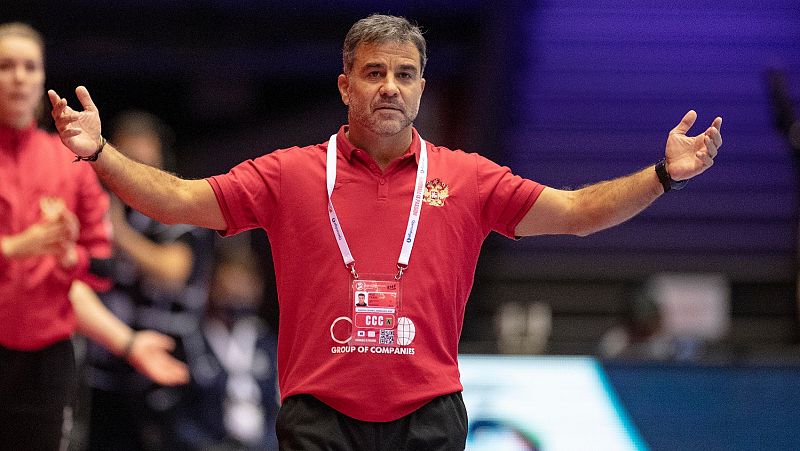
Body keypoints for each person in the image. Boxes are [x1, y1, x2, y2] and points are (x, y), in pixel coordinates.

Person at [48, 14, 723, 450]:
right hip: (319, 418)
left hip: (427, 419)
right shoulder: (290, 174)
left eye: (404, 74)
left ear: (423, 87)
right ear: (346, 86)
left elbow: (576, 212)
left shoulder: (467, 178)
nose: (390, 88)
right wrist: (100, 152)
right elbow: (176, 200)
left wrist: (664, 175)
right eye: (374, 73)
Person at [0, 22, 189, 451]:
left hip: (45, 362)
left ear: (42, 77)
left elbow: (95, 272)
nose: (19, 77)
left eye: (30, 66)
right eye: (6, 66)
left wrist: (128, 342)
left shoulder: (68, 164)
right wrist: (16, 247)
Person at [83, 110, 216, 451]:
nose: (134, 173)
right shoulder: (96, 211)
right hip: (106, 372)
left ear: (162, 163)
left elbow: (172, 273)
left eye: (144, 162)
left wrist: (119, 234)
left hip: (169, 366)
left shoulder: (180, 211)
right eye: (126, 161)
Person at [174, 242, 280, 451]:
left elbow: (278, 410)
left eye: (245, 287)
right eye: (229, 288)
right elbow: (179, 416)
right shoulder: (191, 341)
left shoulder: (267, 342)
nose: (237, 296)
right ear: (212, 286)